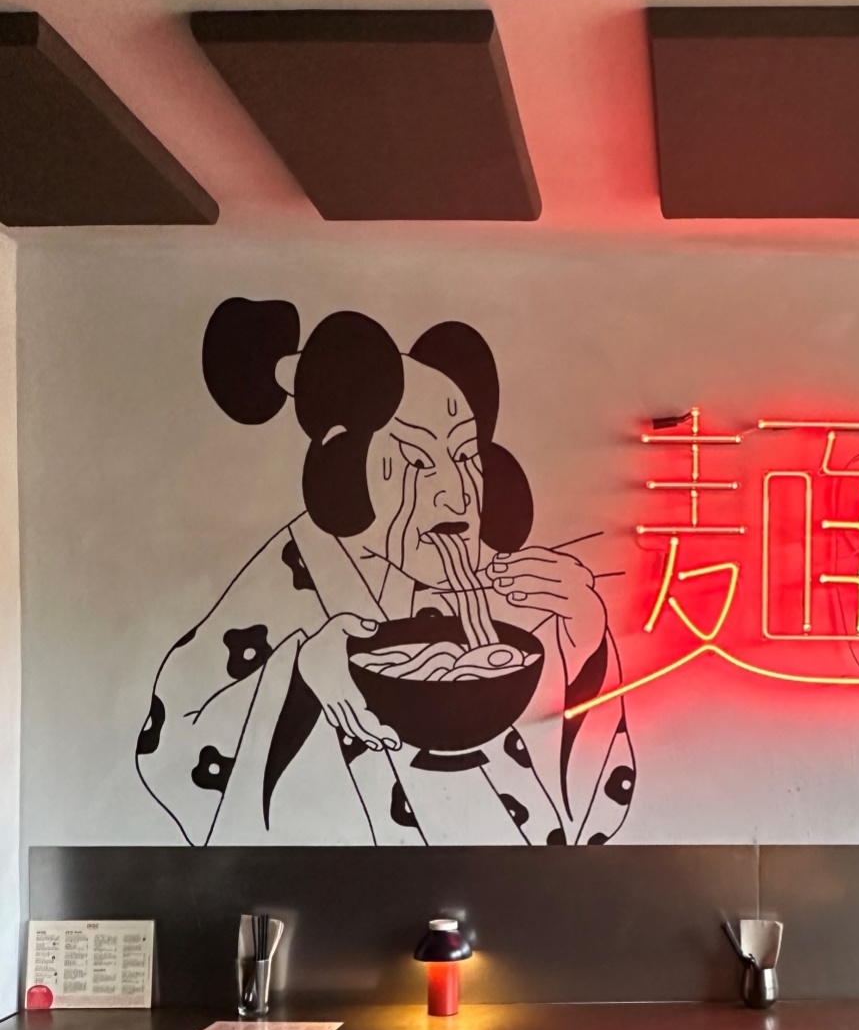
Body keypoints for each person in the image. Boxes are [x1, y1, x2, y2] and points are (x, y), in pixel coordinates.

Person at [135, 298, 636, 846]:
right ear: (347, 464)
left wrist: (585, 645)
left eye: (465, 455)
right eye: (418, 461)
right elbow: (173, 741)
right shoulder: (293, 574)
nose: (457, 493)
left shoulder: (487, 597)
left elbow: (577, 809)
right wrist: (301, 680)